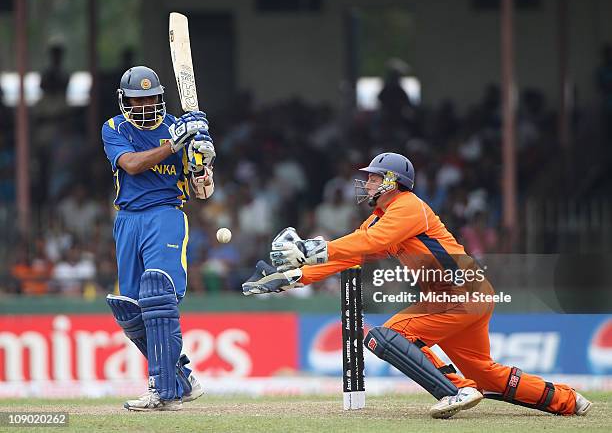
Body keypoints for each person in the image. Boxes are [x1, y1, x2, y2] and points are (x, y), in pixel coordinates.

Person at [242, 152, 592, 419]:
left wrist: (312, 248)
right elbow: (352, 255)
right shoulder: (382, 216)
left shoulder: (408, 207)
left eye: (373, 178)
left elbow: (364, 243)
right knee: (487, 376)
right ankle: (569, 400)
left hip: (458, 294)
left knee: (386, 335)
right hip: (465, 294)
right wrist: (295, 277)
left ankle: (456, 390)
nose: (366, 184)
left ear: (392, 182)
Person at [101, 65, 215, 411]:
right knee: (131, 310)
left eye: (151, 98)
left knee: (157, 294)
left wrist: (200, 161)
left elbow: (204, 192)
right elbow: (132, 165)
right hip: (127, 220)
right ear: (125, 101)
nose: (146, 104)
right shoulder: (114, 128)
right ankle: (181, 380)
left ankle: (163, 391)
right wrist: (174, 145)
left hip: (165, 214)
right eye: (138, 99)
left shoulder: (178, 129)